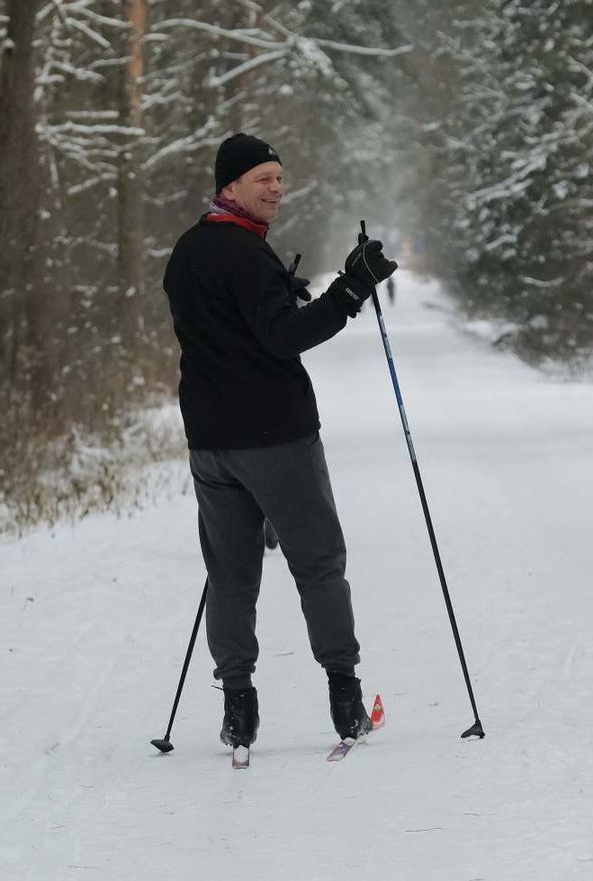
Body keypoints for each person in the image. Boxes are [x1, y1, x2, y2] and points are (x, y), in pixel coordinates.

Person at [163, 133, 398, 750]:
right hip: (275, 437)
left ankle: (238, 707)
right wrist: (351, 289)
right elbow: (281, 338)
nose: (276, 188)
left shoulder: (188, 249)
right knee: (319, 564)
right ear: (230, 186)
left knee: (231, 574)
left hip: (210, 442)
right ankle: (345, 699)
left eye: (279, 176)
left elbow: (226, 324)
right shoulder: (243, 252)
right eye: (262, 178)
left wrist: (277, 295)